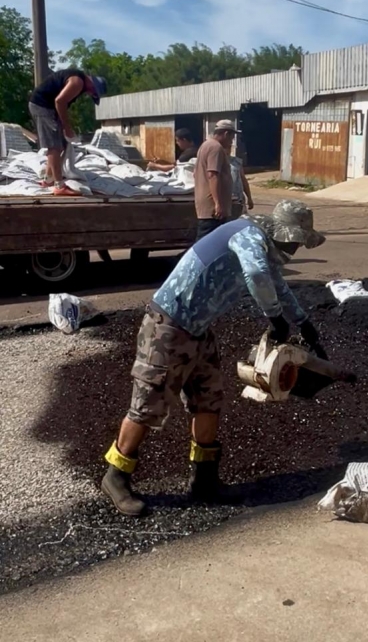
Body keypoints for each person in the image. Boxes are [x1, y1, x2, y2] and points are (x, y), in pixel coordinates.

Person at [101, 199, 327, 517]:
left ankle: (204, 481)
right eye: (295, 240)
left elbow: (276, 284)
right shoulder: (248, 234)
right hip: (168, 325)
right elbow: (258, 275)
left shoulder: (261, 243)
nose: (296, 247)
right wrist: (275, 318)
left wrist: (304, 324)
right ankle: (116, 475)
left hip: (198, 328)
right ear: (281, 233)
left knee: (209, 399)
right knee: (148, 403)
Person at [29, 68, 107, 196]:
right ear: (92, 84)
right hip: (43, 107)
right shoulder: (78, 82)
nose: (89, 93)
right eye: (92, 91)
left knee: (61, 144)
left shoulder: (78, 81)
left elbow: (60, 103)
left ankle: (49, 179)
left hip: (48, 108)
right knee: (54, 146)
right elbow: (59, 101)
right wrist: (67, 127)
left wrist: (63, 125)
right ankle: (59, 186)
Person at [194, 119, 238, 241]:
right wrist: (218, 203)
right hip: (212, 208)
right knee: (206, 243)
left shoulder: (206, 145)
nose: (232, 141)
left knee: (212, 242)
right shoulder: (216, 148)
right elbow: (213, 175)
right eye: (232, 136)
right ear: (225, 134)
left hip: (208, 205)